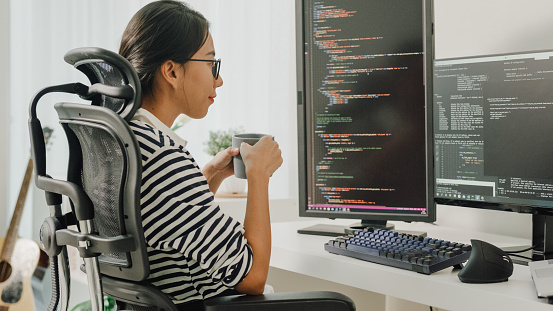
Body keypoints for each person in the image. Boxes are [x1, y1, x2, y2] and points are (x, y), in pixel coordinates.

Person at [118, 1, 283, 309]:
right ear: (171, 71)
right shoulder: (163, 158)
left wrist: (209, 175)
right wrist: (258, 176)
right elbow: (253, 276)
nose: (218, 80)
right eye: (211, 64)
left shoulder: (125, 141)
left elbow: (164, 222)